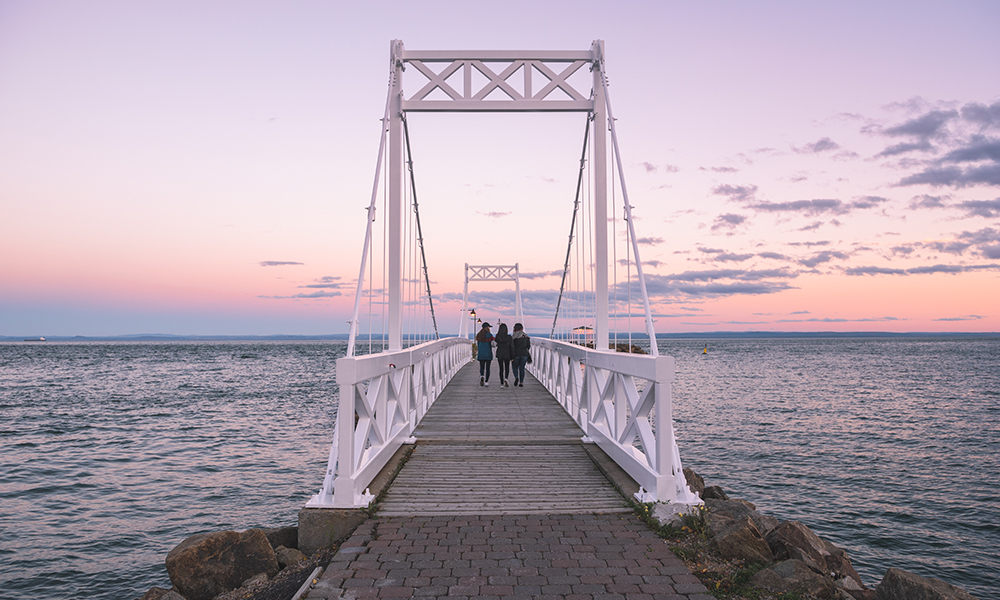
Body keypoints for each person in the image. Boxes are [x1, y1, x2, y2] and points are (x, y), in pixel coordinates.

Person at [494, 323, 514, 387]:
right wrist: (512, 356)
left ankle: (502, 383)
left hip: (500, 353)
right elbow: (512, 347)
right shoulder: (509, 337)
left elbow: (496, 343)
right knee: (507, 367)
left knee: (501, 368)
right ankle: (506, 378)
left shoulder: (497, 336)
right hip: (507, 354)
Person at [511, 322, 531, 387]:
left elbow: (511, 346)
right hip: (524, 354)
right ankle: (521, 382)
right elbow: (528, 346)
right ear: (522, 328)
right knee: (522, 368)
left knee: (515, 367)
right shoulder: (526, 336)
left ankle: (516, 377)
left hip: (516, 354)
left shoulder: (514, 337)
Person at [475, 322, 494, 386]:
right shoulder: (489, 335)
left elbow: (478, 344)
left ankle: (482, 375)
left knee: (482, 367)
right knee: (488, 368)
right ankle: (486, 382)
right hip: (488, 354)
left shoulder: (479, 335)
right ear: (487, 327)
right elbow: (493, 344)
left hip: (481, 354)